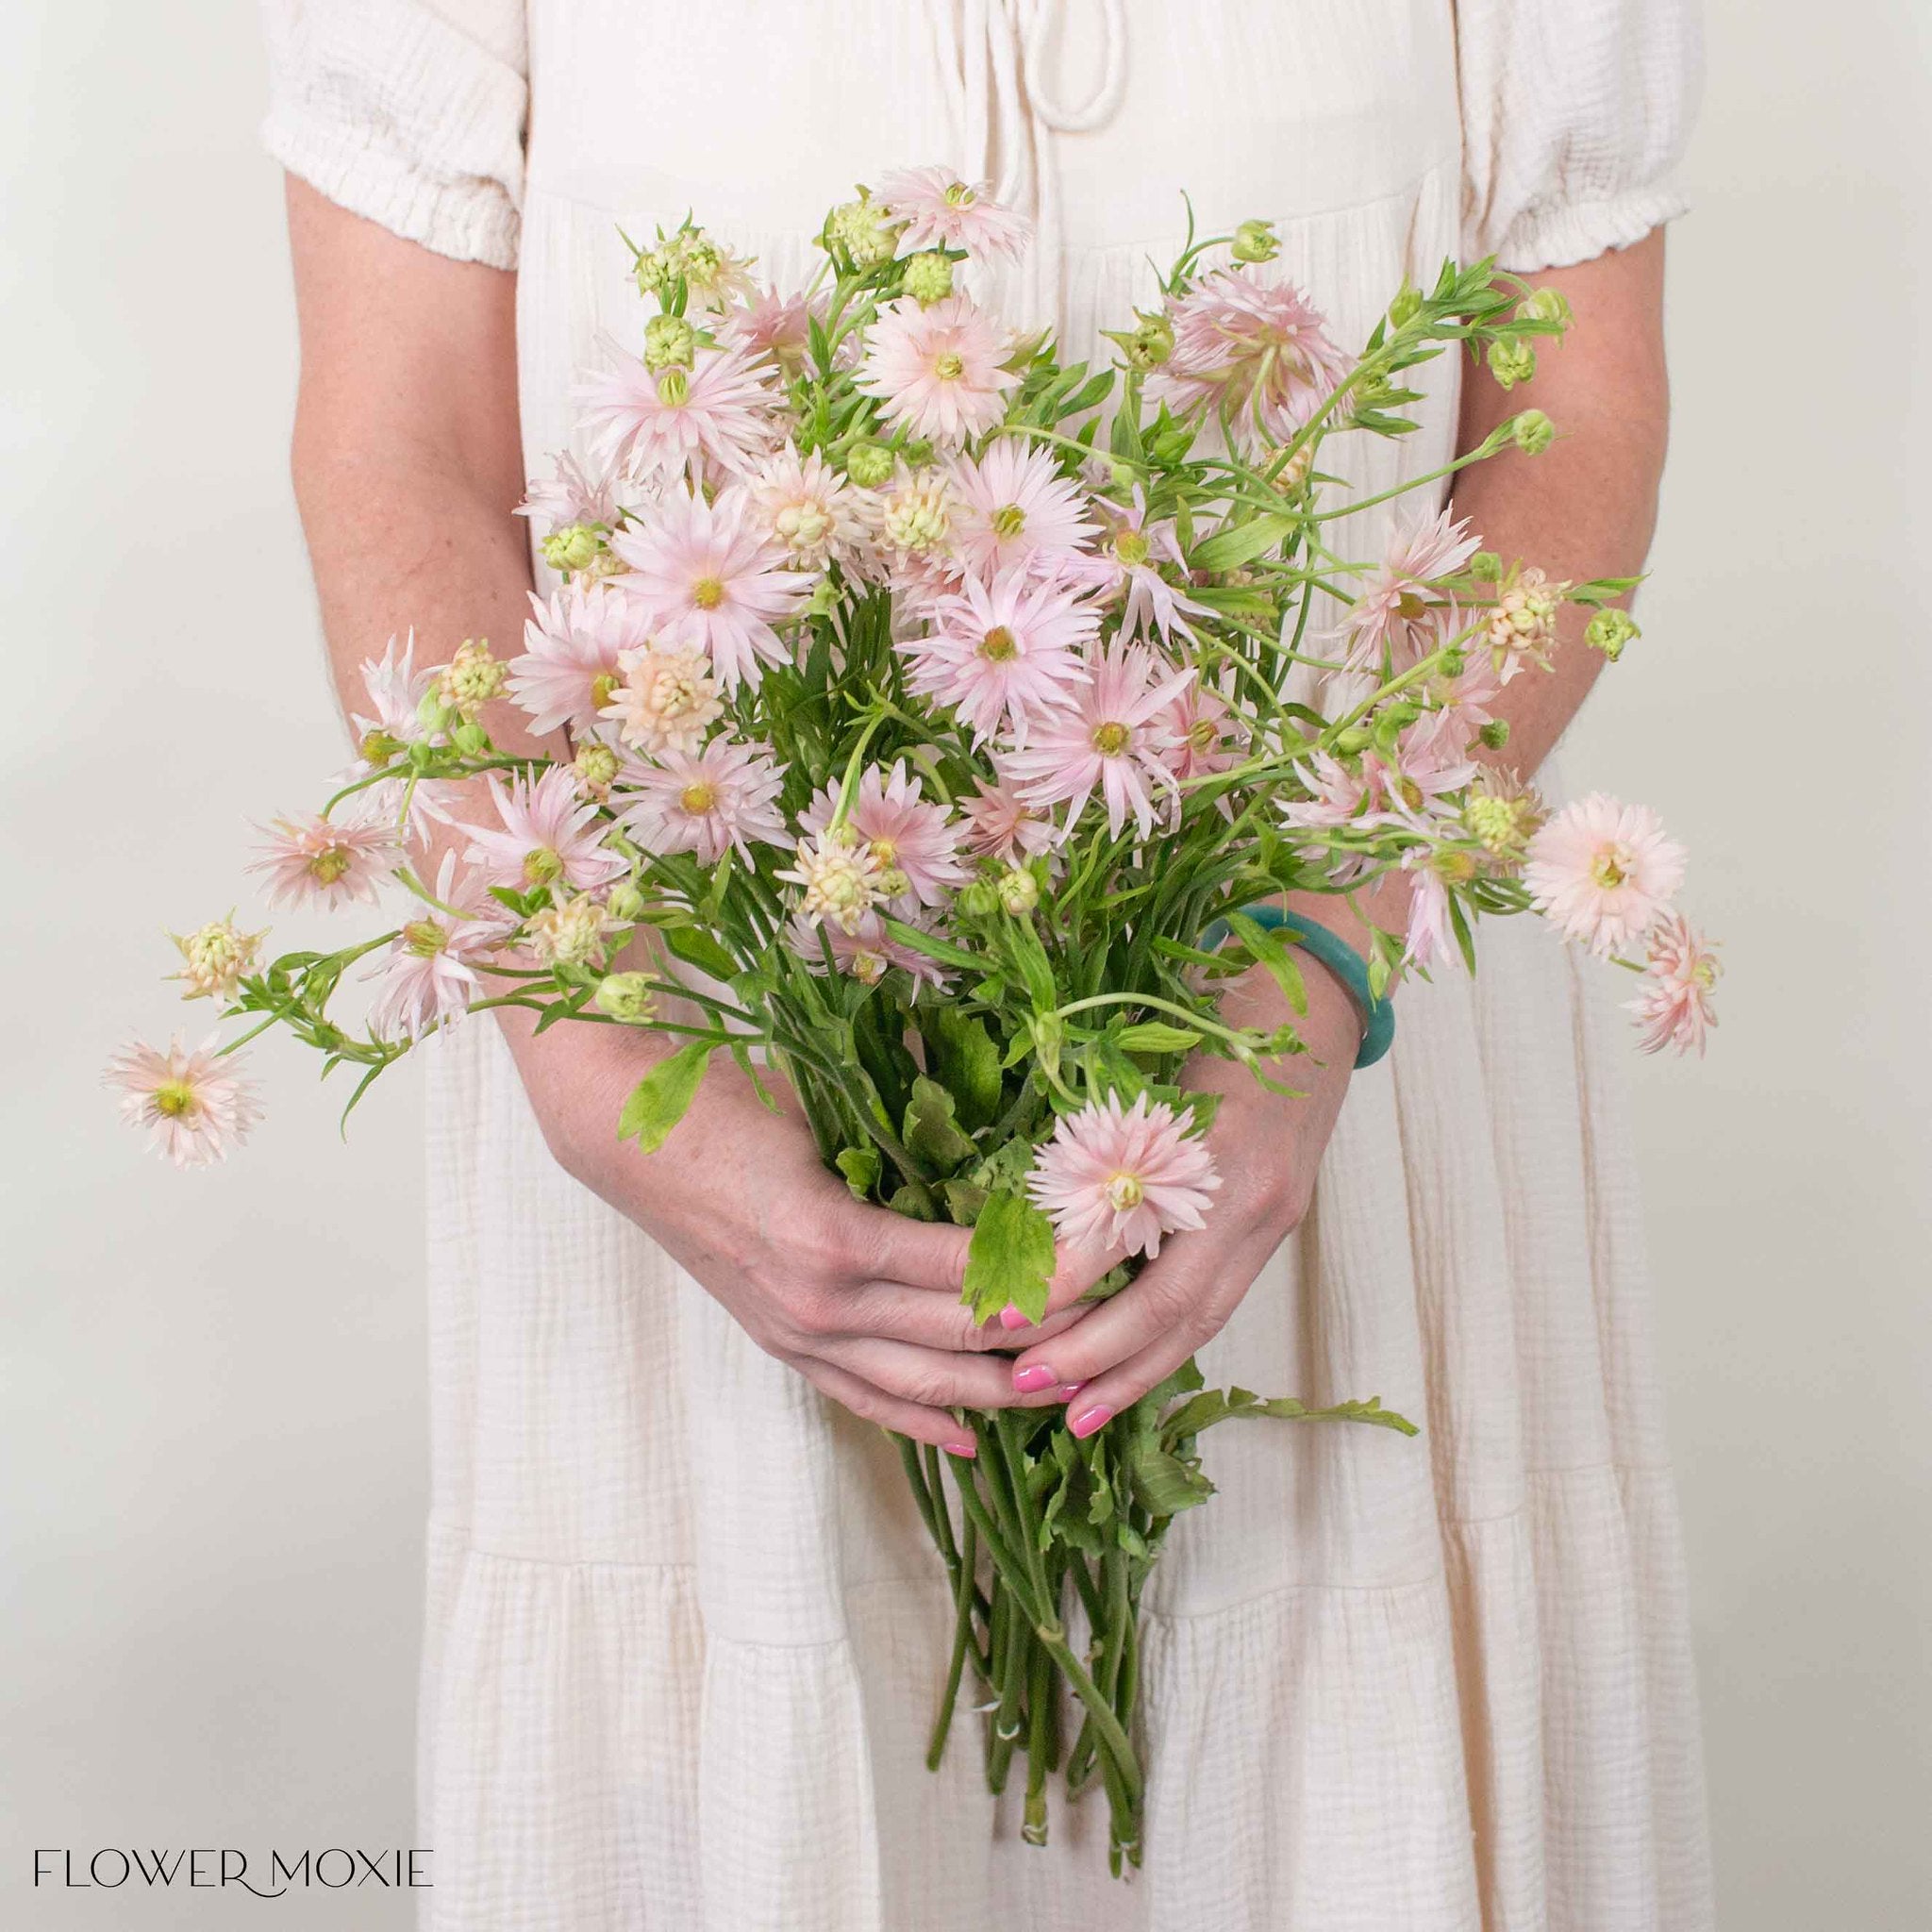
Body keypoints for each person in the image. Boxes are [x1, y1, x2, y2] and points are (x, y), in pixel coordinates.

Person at [262, 2, 1710, 1924]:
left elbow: (1576, 423)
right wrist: (588, 1041)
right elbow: (398, 451)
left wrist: (1317, 962)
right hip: (704, 1055)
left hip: (1325, 1049)